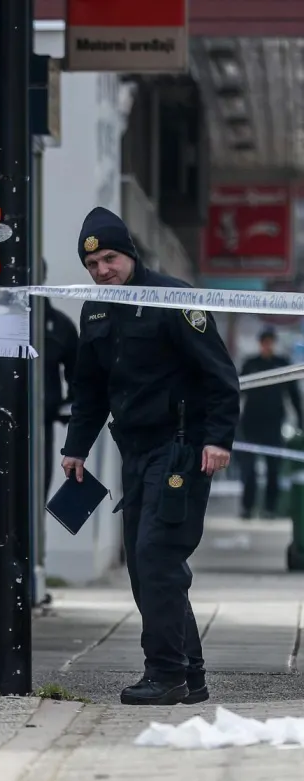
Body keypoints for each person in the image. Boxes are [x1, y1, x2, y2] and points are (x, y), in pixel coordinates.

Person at [60, 207, 240, 706]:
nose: (102, 272)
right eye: (92, 266)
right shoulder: (95, 310)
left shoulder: (171, 298)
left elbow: (220, 377)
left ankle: (165, 675)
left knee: (157, 559)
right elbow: (90, 386)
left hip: (181, 450)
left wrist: (218, 439)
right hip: (134, 452)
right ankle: (191, 674)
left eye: (110, 260)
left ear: (130, 254)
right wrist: (77, 447)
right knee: (147, 570)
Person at [238, 328, 303, 519]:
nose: (267, 346)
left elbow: (293, 395)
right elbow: (238, 391)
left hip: (273, 424)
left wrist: (300, 420)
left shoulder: (281, 364)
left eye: (270, 342)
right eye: (264, 342)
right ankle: (247, 507)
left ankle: (270, 508)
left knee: (273, 468)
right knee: (248, 470)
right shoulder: (251, 364)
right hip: (250, 424)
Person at [39, 261, 78, 499]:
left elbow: (78, 374)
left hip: (41, 423)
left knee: (35, 493)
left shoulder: (59, 326)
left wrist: (67, 409)